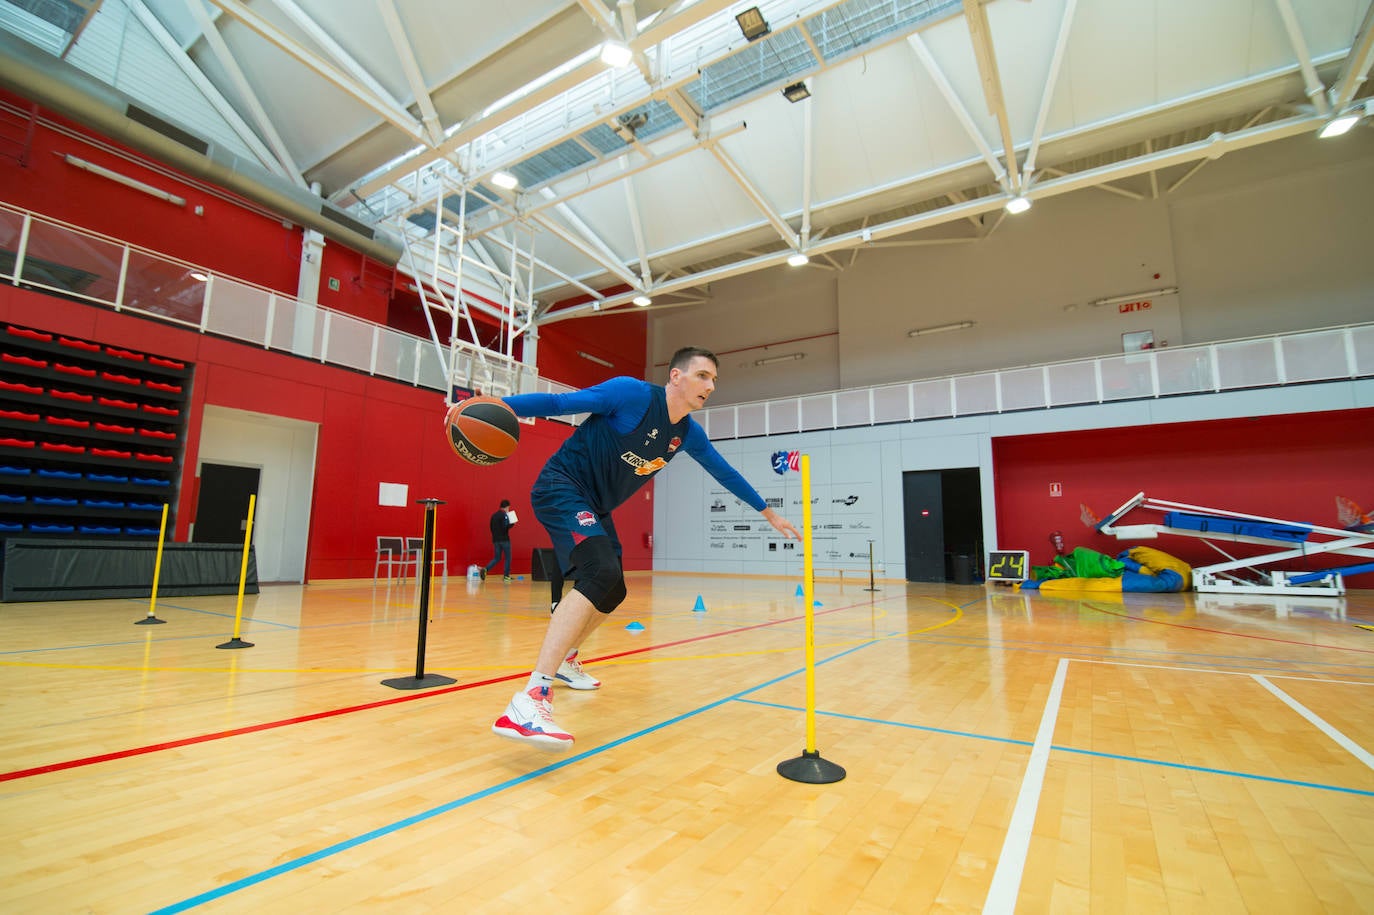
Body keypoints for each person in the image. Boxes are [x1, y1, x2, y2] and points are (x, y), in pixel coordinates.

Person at [490, 346, 801, 750]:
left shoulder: (687, 433)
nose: (710, 386)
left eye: (714, 380)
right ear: (676, 377)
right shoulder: (630, 395)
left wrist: (768, 513)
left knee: (614, 589)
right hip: (561, 487)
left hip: (595, 507)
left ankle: (567, 659)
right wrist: (496, 405)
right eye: (703, 376)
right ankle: (530, 699)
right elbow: (559, 403)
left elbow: (723, 471)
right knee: (600, 573)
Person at [483, 499, 516, 582]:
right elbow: (505, 527)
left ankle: (486, 569)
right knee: (508, 558)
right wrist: (512, 523)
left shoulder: (494, 516)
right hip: (504, 540)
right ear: (507, 507)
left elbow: (491, 527)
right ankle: (506, 576)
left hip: (495, 540)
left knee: (497, 558)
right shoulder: (504, 515)